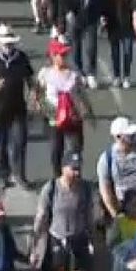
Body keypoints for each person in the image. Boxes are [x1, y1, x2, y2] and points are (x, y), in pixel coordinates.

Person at [0, 24, 36, 188]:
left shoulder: (21, 58)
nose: (8, 47)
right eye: (5, 44)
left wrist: (34, 97)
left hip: (18, 107)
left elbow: (30, 80)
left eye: (10, 44)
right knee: (0, 144)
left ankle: (19, 174)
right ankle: (3, 175)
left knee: (20, 141)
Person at [30, 153, 95, 271]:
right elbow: (41, 218)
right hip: (57, 240)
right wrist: (34, 247)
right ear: (63, 169)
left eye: (79, 169)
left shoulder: (85, 188)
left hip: (78, 240)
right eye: (73, 169)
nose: (77, 173)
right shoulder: (51, 188)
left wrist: (91, 241)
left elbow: (89, 216)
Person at [38, 37, 92, 177]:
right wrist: (43, 108)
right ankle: (58, 178)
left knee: (75, 149)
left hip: (72, 117)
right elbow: (38, 95)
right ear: (53, 56)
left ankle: (75, 175)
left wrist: (88, 111)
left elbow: (82, 95)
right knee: (56, 150)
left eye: (65, 54)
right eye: (60, 55)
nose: (64, 57)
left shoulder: (74, 75)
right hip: (54, 118)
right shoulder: (45, 74)